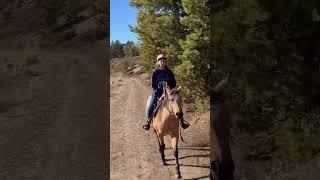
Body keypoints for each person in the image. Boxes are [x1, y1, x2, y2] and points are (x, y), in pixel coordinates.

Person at [142, 54, 189, 130]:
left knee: (177, 103)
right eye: (160, 61)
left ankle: (182, 121)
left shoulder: (169, 72)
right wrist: (158, 93)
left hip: (169, 93)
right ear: (158, 62)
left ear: (165, 62)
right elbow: (153, 85)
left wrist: (170, 89)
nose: (162, 62)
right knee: (151, 105)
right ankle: (148, 121)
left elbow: (174, 83)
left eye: (164, 61)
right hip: (157, 94)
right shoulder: (155, 72)